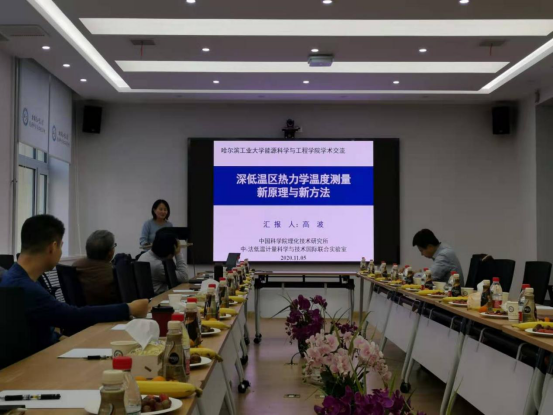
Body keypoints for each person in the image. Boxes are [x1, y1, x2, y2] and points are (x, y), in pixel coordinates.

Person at [0, 215, 149, 356]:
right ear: (52, 247)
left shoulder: (19, 277)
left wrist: (59, 338)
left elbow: (41, 324)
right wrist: (129, 308)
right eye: (61, 246)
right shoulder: (23, 287)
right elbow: (72, 316)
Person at [73, 230, 119, 306]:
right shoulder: (113, 273)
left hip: (79, 310)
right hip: (106, 311)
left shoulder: (76, 264)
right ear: (110, 252)